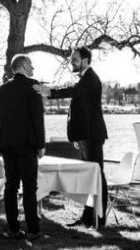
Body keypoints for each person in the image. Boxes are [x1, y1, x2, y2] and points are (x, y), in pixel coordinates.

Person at [34, 46, 108, 228]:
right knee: (91, 176)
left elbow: (72, 90)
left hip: (92, 136)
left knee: (97, 176)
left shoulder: (90, 78)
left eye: (74, 59)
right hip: (85, 136)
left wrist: (50, 92)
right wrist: (77, 137)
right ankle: (88, 217)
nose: (71, 63)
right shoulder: (85, 78)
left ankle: (99, 220)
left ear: (85, 60)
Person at [0, 54, 45, 241]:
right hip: (26, 144)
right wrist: (41, 144)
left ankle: (13, 229)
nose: (33, 68)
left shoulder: (1, 90)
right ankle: (33, 229)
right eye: (30, 65)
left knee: (11, 186)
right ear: (22, 66)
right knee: (30, 186)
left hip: (6, 144)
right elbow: (37, 117)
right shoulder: (33, 86)